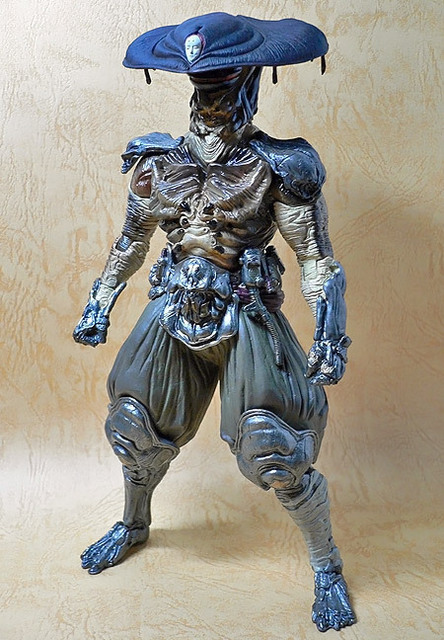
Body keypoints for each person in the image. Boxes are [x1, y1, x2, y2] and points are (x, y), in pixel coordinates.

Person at [73, 13, 355, 632]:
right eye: (203, 91)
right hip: (175, 305)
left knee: (274, 448)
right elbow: (132, 241)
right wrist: (101, 299)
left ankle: (326, 565)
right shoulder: (158, 164)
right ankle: (134, 523)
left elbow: (315, 258)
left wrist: (329, 331)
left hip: (245, 310)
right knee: (134, 427)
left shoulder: (280, 166)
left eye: (224, 90)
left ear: (249, 85)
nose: (211, 105)